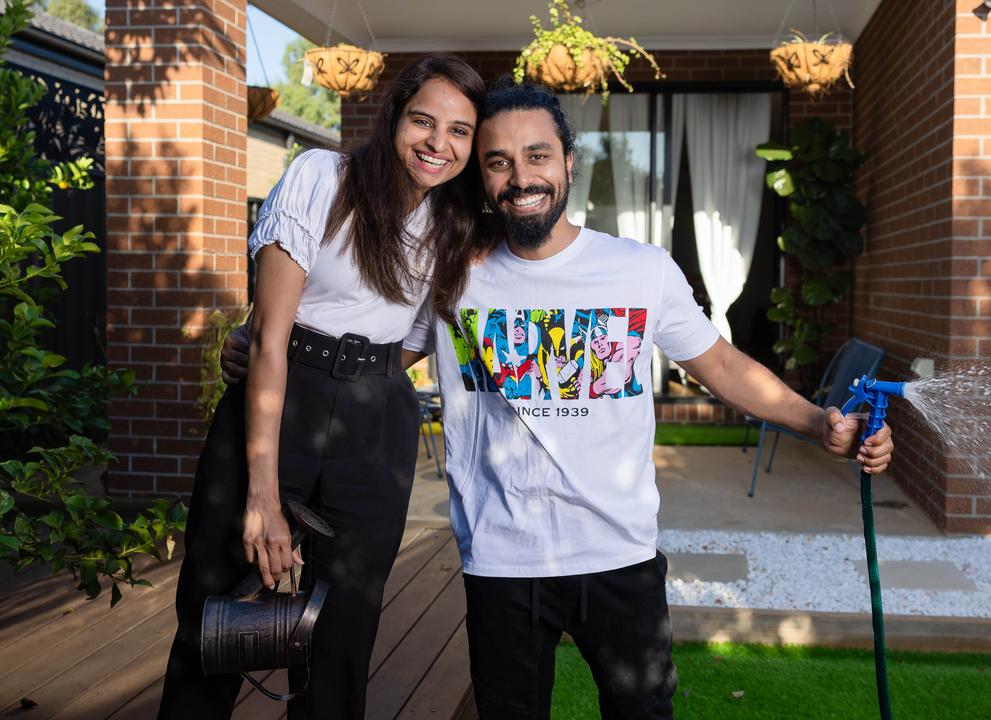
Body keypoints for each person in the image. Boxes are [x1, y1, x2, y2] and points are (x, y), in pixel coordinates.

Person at [223, 80, 893, 719]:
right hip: (500, 560)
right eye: (498, 162)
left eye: (537, 155)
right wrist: (262, 351)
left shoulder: (640, 269)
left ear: (569, 163)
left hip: (619, 556)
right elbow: (373, 356)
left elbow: (719, 361)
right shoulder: (454, 274)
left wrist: (817, 423)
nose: (520, 177)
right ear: (479, 178)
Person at [159, 55, 488, 720]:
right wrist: (262, 495)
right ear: (394, 116)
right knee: (216, 618)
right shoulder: (322, 177)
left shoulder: (455, 228)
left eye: (460, 132)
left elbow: (415, 339)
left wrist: (357, 378)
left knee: (342, 639)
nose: (438, 143)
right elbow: (272, 338)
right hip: (282, 393)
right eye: (424, 121)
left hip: (376, 421)